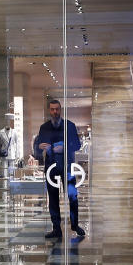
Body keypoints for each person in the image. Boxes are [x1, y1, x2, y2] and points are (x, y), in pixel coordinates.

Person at [34, 99, 85, 239]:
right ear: (49, 111)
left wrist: (64, 148)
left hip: (67, 166)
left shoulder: (70, 125)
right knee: (53, 198)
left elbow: (77, 145)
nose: (55, 112)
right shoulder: (44, 128)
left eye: (57, 109)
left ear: (60, 110)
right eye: (52, 109)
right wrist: (40, 147)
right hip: (50, 167)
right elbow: (37, 148)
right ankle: (56, 228)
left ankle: (74, 225)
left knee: (72, 196)